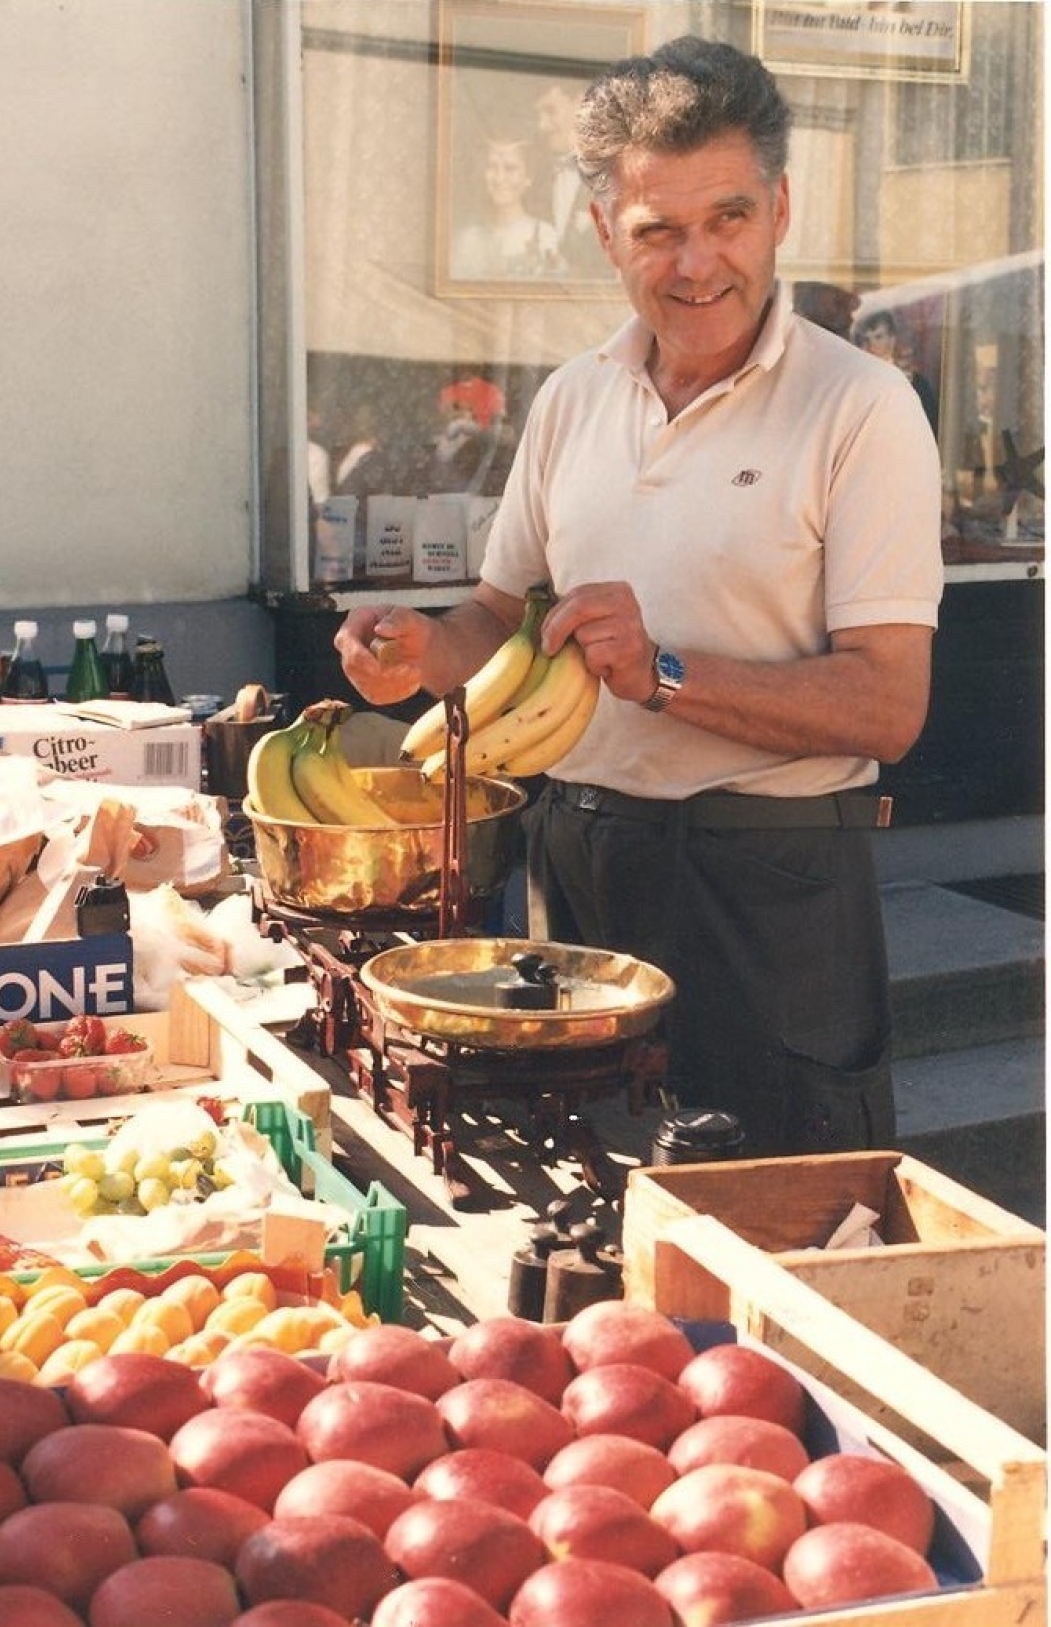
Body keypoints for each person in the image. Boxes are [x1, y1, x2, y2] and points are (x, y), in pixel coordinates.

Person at [336, 36, 943, 1158]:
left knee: (781, 1225)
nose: (696, 262)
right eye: (657, 230)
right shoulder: (573, 398)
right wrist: (415, 650)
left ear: (780, 208)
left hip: (772, 879)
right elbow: (492, 620)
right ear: (604, 232)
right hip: (576, 859)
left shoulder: (862, 409)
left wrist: (661, 672)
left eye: (727, 218)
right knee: (575, 1206)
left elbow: (886, 707)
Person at [451, 136, 561, 281]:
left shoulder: (545, 236)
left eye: (510, 168)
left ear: (528, 177)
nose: (499, 178)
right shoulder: (468, 239)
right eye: (492, 167)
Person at [533, 81, 610, 278]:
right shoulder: (534, 179)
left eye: (550, 111)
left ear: (581, 103)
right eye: (538, 116)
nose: (542, 126)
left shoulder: (614, 173)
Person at [854, 308, 939, 435]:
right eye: (866, 339)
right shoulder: (855, 383)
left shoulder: (916, 383)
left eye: (878, 337)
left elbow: (930, 424)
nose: (871, 345)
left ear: (892, 339)